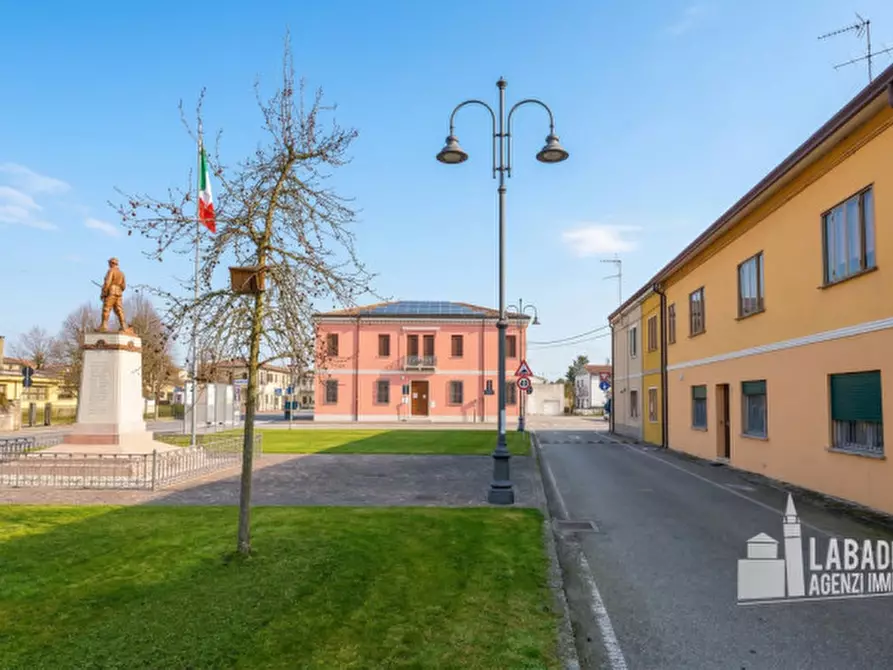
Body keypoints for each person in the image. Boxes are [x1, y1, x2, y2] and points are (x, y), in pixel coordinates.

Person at [99, 257, 128, 332]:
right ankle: (124, 326)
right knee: (119, 310)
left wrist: (104, 292)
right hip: (119, 293)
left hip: (111, 292)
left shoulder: (111, 271)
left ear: (112, 263)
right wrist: (119, 289)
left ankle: (103, 326)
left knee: (106, 309)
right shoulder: (122, 273)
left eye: (109, 263)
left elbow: (107, 282)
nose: (108, 264)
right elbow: (124, 286)